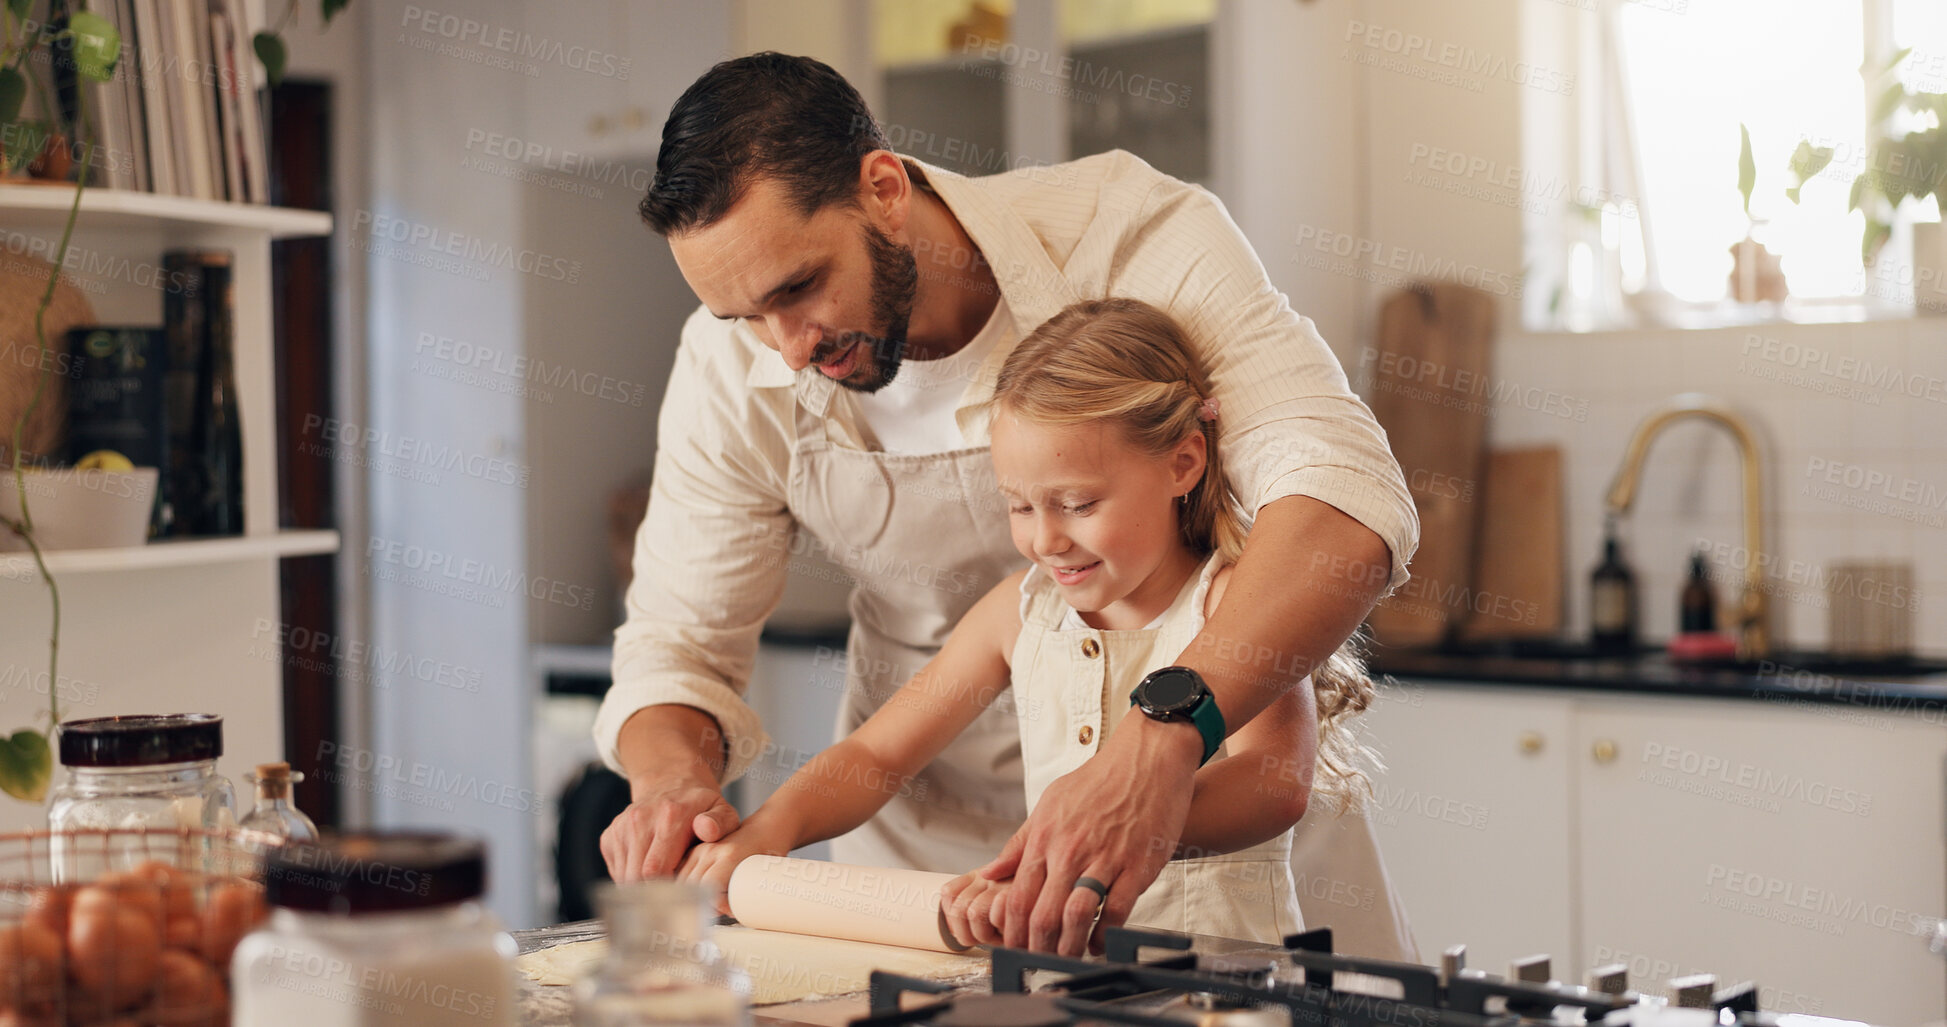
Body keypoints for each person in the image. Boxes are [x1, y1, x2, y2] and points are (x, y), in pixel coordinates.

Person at [596, 52, 1421, 958]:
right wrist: (673, 786)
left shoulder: (1129, 233)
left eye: (798, 288)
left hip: (1218, 870)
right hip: (935, 878)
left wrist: (1156, 748)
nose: (786, 349)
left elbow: (1340, 495)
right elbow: (680, 645)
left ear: (883, 189)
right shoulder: (733, 367)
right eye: (746, 317)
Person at [676, 298, 1382, 954]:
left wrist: (1088, 841)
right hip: (1068, 982)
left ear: (1182, 464)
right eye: (1019, 506)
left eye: (1077, 504)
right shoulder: (1019, 611)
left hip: (1222, 988)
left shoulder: (1236, 605)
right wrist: (769, 829)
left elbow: (1274, 784)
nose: (1045, 540)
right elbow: (877, 753)